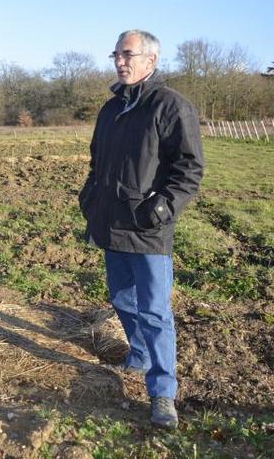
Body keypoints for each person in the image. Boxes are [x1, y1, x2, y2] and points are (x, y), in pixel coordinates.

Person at [78, 29, 204, 429]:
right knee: (121, 299)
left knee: (154, 312)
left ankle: (163, 392)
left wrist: (163, 206)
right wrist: (90, 195)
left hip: (148, 228)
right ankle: (141, 353)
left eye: (127, 54)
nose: (120, 61)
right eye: (116, 54)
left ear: (151, 60)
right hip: (112, 222)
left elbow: (189, 168)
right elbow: (97, 161)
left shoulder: (170, 106)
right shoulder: (110, 109)